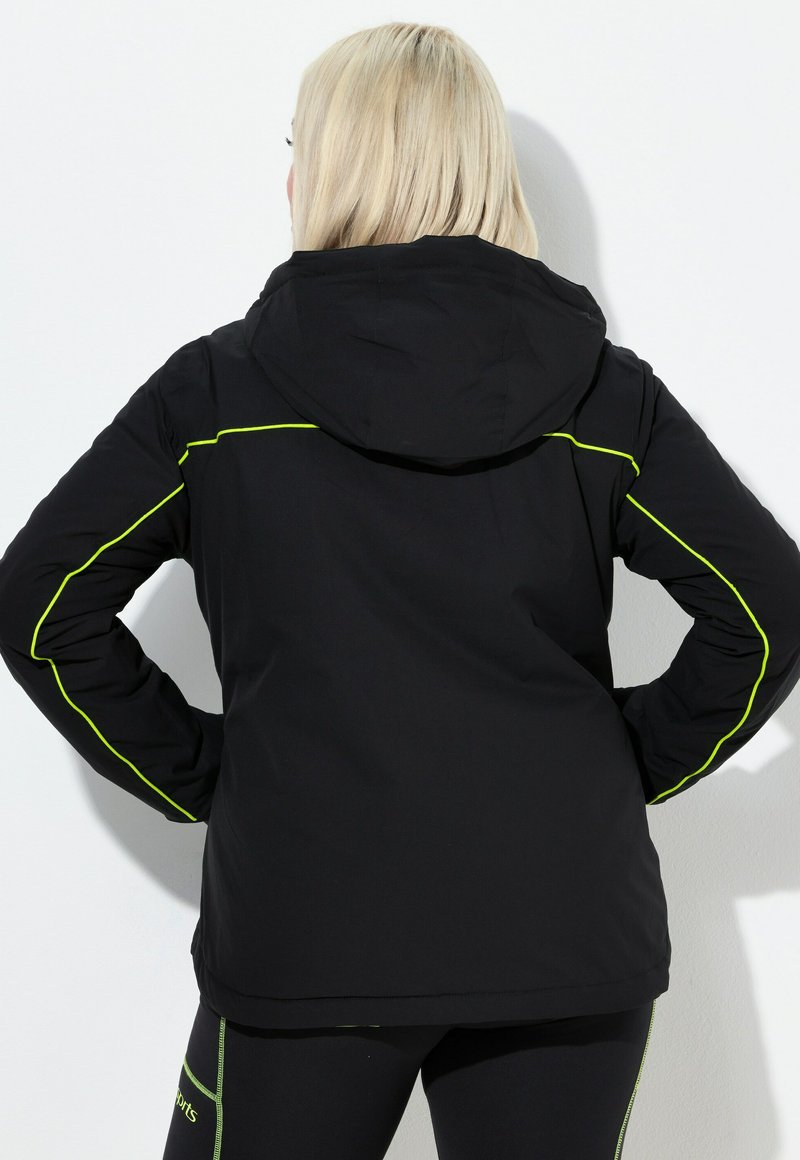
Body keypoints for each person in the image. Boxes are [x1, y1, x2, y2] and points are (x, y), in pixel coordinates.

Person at [1, 20, 799, 1160]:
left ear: (330, 164)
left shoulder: (217, 396)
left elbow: (41, 603)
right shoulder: (601, 396)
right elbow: (768, 609)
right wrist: (615, 766)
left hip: (307, 933)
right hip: (562, 932)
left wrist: (210, 775)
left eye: (297, 144)